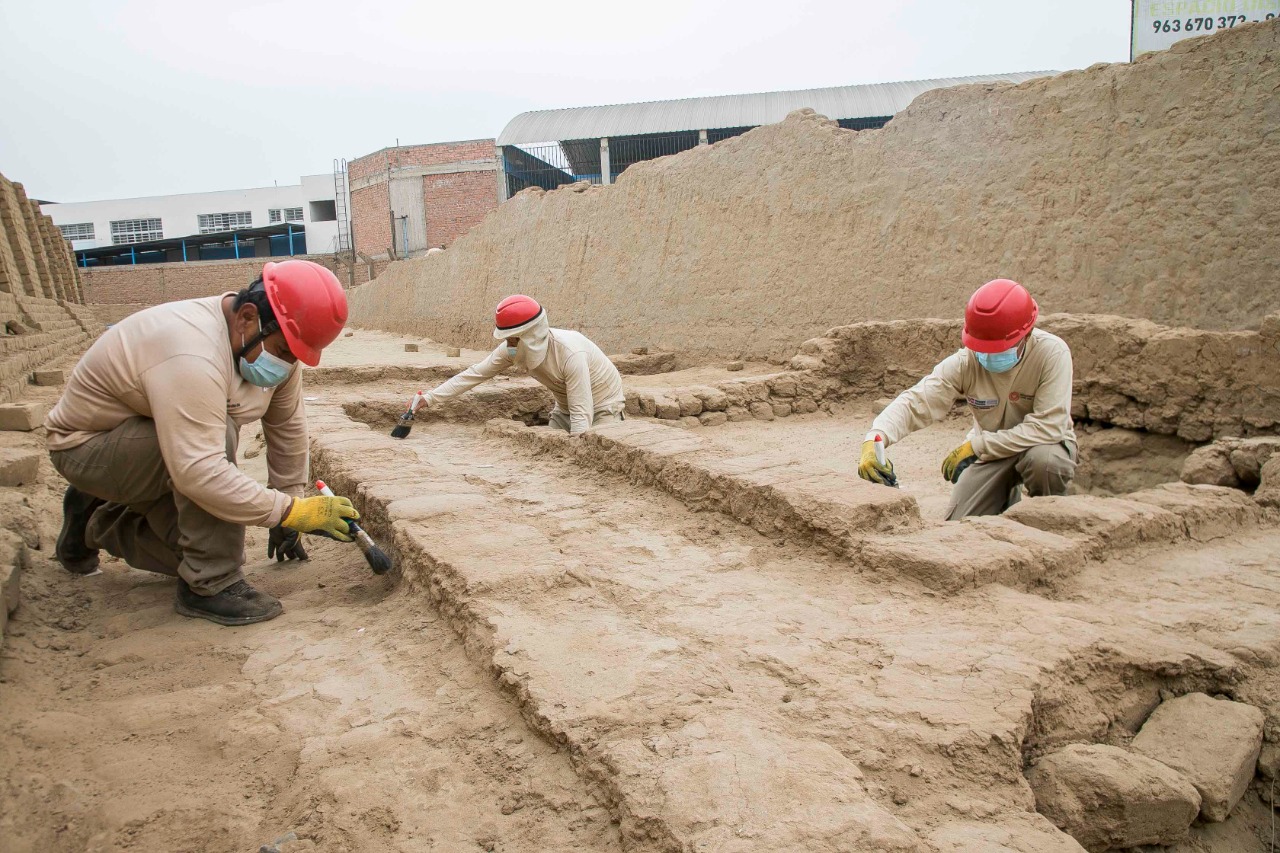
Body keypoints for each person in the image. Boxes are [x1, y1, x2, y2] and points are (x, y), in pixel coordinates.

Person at [45, 260, 361, 626]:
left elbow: (287, 428)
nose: (287, 363)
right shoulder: (189, 349)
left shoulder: (270, 347)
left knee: (194, 549)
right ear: (246, 317)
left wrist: (288, 501)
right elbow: (200, 470)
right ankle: (211, 585)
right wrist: (292, 511)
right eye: (284, 350)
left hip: (158, 445)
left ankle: (96, 523)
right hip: (88, 449)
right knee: (221, 436)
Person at [857, 279, 1077, 519]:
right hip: (993, 452)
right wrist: (875, 438)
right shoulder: (967, 362)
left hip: (1041, 445)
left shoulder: (1052, 354)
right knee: (960, 524)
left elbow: (1048, 427)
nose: (989, 355)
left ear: (1027, 334)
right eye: (983, 347)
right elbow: (917, 401)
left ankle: (1049, 520)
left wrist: (976, 446)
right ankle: (1006, 503)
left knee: (1045, 463)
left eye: (998, 348)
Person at [413, 295, 625, 434]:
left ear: (531, 336)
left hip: (603, 406)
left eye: (514, 340)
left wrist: (579, 447)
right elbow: (475, 374)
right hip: (565, 408)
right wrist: (429, 398)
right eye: (507, 340)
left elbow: (582, 412)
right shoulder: (513, 349)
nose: (509, 346)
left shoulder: (570, 354)